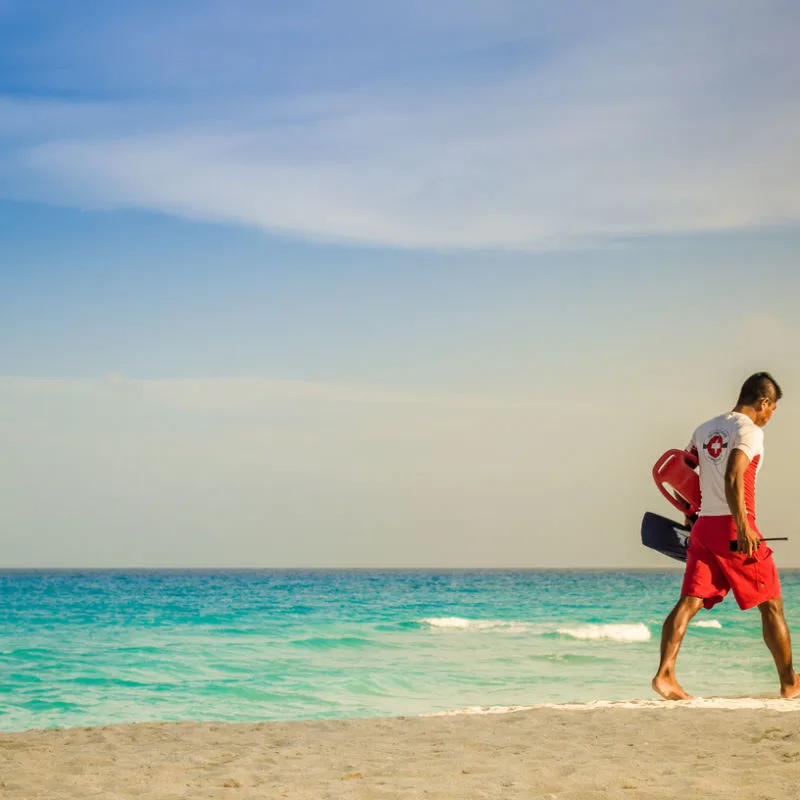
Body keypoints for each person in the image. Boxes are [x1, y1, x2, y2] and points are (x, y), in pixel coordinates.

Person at [652, 372, 800, 701]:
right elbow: (735, 473)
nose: (771, 416)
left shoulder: (704, 429)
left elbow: (683, 472)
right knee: (772, 604)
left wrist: (689, 517)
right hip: (735, 526)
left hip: (704, 526)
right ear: (763, 402)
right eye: (772, 408)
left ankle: (665, 675)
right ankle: (790, 683)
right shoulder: (750, 431)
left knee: (689, 602)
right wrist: (744, 524)